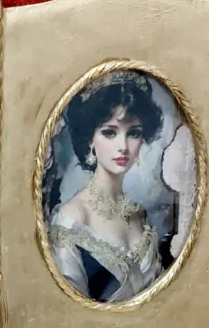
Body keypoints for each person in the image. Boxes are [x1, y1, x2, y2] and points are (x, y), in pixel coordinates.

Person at [48, 71, 168, 303]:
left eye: (134, 133)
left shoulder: (139, 214)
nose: (123, 146)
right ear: (90, 139)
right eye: (109, 132)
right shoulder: (71, 220)